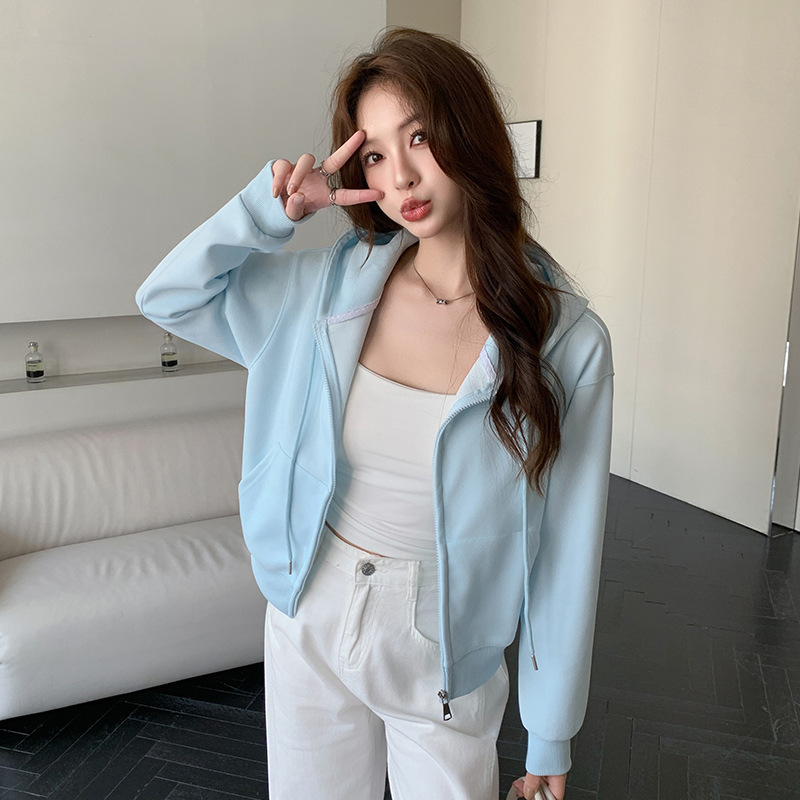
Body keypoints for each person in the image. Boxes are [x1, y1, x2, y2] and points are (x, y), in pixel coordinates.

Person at [136, 26, 613, 800]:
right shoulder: (322, 291)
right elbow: (167, 298)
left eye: (419, 137)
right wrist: (266, 212)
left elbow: (566, 548)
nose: (402, 177)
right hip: (309, 610)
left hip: (444, 648)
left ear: (470, 131)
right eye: (376, 155)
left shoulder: (567, 342)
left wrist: (550, 734)